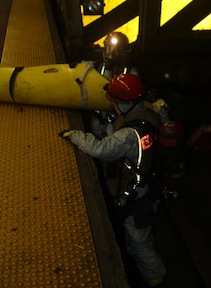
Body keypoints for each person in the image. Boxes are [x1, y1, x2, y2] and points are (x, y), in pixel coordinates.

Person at [59, 73, 167, 287]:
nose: (113, 105)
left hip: (136, 197)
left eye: (116, 102)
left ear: (126, 103)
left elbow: (101, 149)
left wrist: (75, 135)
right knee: (140, 235)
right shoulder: (153, 115)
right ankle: (145, 268)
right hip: (149, 187)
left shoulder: (128, 135)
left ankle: (155, 278)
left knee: (138, 240)